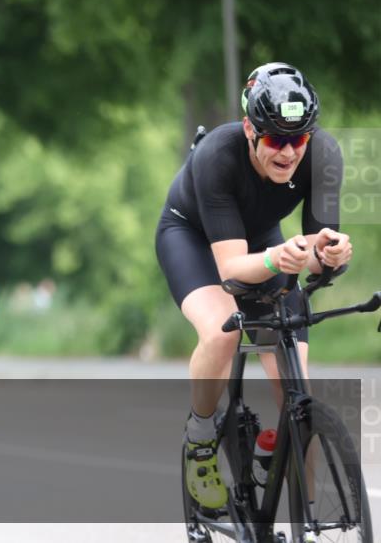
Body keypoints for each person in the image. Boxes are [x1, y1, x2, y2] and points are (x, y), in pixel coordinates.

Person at [155, 63, 351, 517]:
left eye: (298, 139)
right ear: (249, 129)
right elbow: (231, 270)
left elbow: (317, 249)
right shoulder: (218, 156)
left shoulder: (323, 154)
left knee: (296, 383)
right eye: (276, 141)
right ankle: (201, 437)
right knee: (224, 330)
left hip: (262, 239)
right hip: (194, 238)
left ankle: (305, 514)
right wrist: (276, 258)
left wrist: (332, 255)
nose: (289, 153)